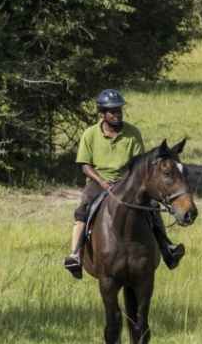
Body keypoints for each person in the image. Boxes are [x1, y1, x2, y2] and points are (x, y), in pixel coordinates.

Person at [63, 89, 185, 279]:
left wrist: (125, 182)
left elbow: (138, 164)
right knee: (83, 210)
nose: (117, 114)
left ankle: (167, 248)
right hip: (98, 180)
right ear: (102, 113)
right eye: (112, 111)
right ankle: (75, 255)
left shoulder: (132, 133)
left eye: (119, 110)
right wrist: (103, 182)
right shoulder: (90, 134)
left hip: (127, 182)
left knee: (152, 206)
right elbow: (85, 166)